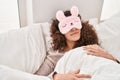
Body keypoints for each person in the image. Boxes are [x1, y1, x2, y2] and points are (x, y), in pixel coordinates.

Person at [35, 6, 119, 80]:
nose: (73, 29)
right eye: (67, 26)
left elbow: (111, 67)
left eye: (76, 24)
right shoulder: (55, 55)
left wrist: (109, 57)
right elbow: (38, 77)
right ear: (60, 32)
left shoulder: (92, 46)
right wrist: (58, 77)